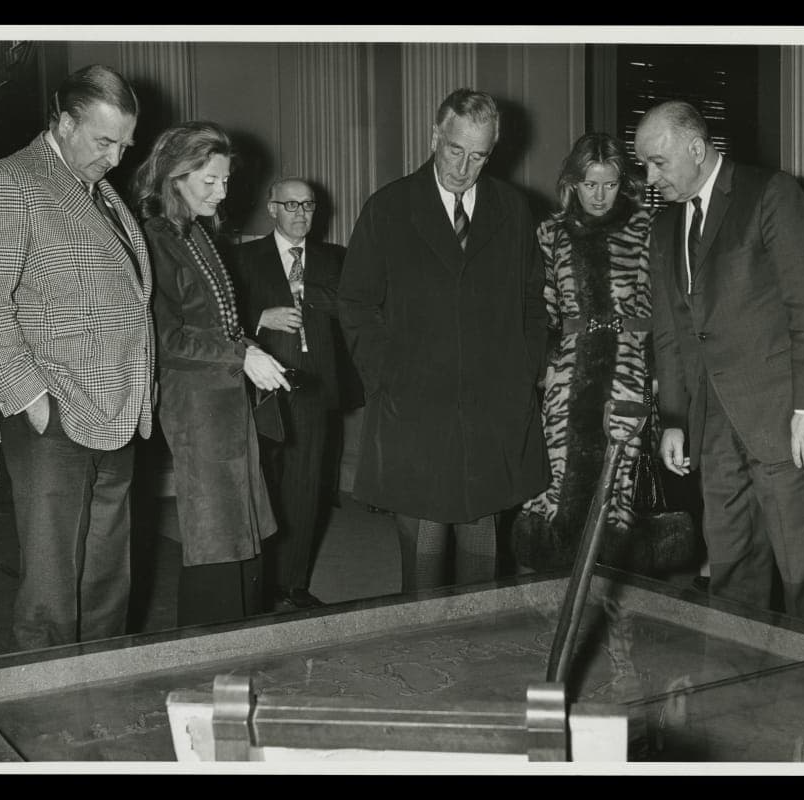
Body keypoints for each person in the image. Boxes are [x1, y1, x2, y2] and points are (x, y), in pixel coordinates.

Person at [0, 64, 154, 649]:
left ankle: (101, 701)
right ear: (65, 122)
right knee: (50, 596)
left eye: (125, 144)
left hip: (116, 412)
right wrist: (33, 400)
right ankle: (44, 717)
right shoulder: (12, 181)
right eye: (104, 141)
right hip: (56, 417)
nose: (117, 157)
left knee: (105, 585)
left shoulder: (101, 190)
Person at [634, 100, 804, 629]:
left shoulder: (772, 194)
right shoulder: (664, 229)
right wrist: (676, 420)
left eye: (658, 163)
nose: (650, 178)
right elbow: (672, 334)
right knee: (731, 571)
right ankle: (739, 687)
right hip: (715, 429)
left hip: (788, 422)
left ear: (696, 148)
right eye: (644, 165)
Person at [338, 88, 550, 593]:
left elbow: (532, 301)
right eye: (455, 150)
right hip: (415, 408)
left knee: (482, 556)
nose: (463, 167)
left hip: (488, 408)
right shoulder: (389, 207)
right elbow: (356, 303)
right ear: (436, 135)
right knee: (425, 560)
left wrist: (525, 369)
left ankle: (477, 662)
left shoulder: (512, 208)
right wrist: (387, 375)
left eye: (478, 156)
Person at [133, 121, 290, 626]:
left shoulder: (195, 231)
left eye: (225, 181)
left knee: (240, 525)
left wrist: (248, 348)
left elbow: (223, 319)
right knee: (214, 532)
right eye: (209, 182)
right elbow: (167, 336)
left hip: (224, 398)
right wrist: (241, 356)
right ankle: (210, 649)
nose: (221, 194)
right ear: (175, 177)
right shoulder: (157, 238)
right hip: (194, 402)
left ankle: (240, 641)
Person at [511, 132, 660, 574]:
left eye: (610, 184)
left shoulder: (646, 227)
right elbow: (542, 308)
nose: (599, 195)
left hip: (628, 368)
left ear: (623, 183)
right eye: (589, 184)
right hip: (569, 370)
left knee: (619, 478)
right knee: (560, 474)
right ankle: (556, 575)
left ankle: (614, 580)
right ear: (573, 182)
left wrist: (656, 370)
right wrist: (545, 366)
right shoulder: (550, 232)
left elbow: (661, 306)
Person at [229, 179, 344, 610]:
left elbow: (353, 305)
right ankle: (258, 582)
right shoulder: (243, 259)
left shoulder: (334, 260)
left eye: (308, 205)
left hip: (315, 388)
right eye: (291, 204)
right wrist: (262, 317)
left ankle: (293, 584)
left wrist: (305, 291)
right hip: (263, 387)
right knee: (262, 487)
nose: (300, 213)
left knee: (305, 487)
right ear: (272, 208)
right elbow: (225, 318)